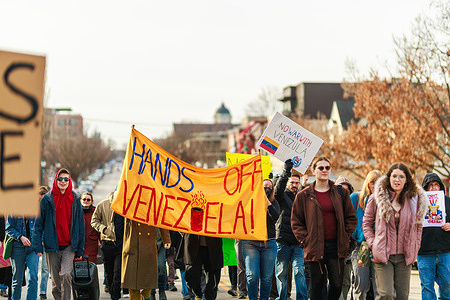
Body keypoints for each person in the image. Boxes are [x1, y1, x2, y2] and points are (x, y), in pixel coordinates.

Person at [291, 156, 357, 300]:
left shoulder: (341, 193)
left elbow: (351, 217)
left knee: (337, 284)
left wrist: (345, 237)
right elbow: (296, 221)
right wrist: (306, 240)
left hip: (336, 245)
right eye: (321, 167)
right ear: (314, 171)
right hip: (314, 245)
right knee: (316, 286)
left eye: (327, 167)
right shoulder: (304, 195)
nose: (325, 170)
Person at [362, 162, 428, 300]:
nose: (397, 180)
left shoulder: (414, 200)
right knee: (386, 294)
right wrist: (373, 245)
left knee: (402, 296)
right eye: (394, 176)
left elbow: (419, 226)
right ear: (389, 178)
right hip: (383, 254)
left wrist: (416, 245)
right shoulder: (376, 198)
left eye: (401, 177)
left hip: (405, 255)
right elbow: (367, 223)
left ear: (406, 180)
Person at [32, 168, 85, 300]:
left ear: (69, 181)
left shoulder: (75, 199)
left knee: (66, 274)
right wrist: (37, 246)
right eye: (60, 179)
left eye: (66, 179)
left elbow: (80, 226)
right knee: (55, 281)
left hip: (69, 246)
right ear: (56, 180)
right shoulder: (47, 199)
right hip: (52, 246)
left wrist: (80, 249)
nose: (63, 181)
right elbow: (38, 225)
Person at [274, 159, 308, 300]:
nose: (294, 185)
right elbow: (278, 190)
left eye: (296, 183)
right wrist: (286, 171)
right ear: (288, 183)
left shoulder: (301, 197)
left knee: (299, 271)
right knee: (281, 272)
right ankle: (282, 298)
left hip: (298, 242)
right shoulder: (281, 196)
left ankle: (302, 298)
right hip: (283, 241)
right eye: (292, 183)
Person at [242, 178, 280, 300]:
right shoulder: (250, 201)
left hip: (268, 243)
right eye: (264, 186)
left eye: (270, 186)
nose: (267, 188)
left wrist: (267, 204)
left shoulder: (274, 202)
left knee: (267, 278)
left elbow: (275, 217)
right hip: (250, 243)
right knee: (252, 276)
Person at [349, 170, 382, 300]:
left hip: (378, 247)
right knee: (361, 285)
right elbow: (346, 219)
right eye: (372, 183)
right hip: (360, 246)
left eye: (378, 183)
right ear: (367, 183)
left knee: (379, 287)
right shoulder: (356, 198)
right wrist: (355, 233)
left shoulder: (385, 201)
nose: (374, 186)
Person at [417, 173, 450, 300]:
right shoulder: (417, 203)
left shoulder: (448, 201)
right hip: (424, 251)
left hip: (445, 250)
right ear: (425, 188)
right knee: (427, 286)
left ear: (440, 186)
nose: (433, 188)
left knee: (447, 284)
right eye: (430, 185)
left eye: (436, 185)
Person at [121, 219, 170, 300]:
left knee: (149, 278)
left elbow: (161, 216)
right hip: (132, 242)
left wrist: (166, 238)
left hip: (149, 243)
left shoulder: (154, 206)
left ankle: (147, 295)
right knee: (132, 280)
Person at [91, 192, 124, 300]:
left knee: (117, 272)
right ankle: (112, 291)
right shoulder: (103, 204)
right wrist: (104, 229)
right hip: (107, 243)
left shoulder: (125, 205)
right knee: (109, 272)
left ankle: (115, 296)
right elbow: (94, 221)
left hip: (121, 244)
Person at [178, 233, 223, 300]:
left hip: (213, 243)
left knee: (213, 277)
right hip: (192, 243)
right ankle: (198, 294)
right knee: (191, 274)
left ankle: (209, 297)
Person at [5, 211, 39, 300]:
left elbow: (41, 227)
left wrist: (40, 244)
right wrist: (20, 237)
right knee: (17, 279)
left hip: (32, 248)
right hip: (17, 247)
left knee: (33, 277)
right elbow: (8, 228)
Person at [335, 175, 356, 300]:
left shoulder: (352, 207)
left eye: (346, 190)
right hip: (332, 251)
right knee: (334, 282)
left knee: (346, 282)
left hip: (349, 250)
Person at [80, 192, 100, 264]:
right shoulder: (76, 212)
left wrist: (100, 241)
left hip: (91, 244)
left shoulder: (95, 212)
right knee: (78, 268)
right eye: (84, 199)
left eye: (88, 200)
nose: (86, 201)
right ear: (81, 200)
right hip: (79, 244)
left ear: (92, 201)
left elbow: (99, 227)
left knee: (90, 267)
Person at [38, 186, 50, 300]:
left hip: (46, 242)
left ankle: (43, 291)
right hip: (35, 243)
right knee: (33, 271)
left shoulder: (49, 209)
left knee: (45, 269)